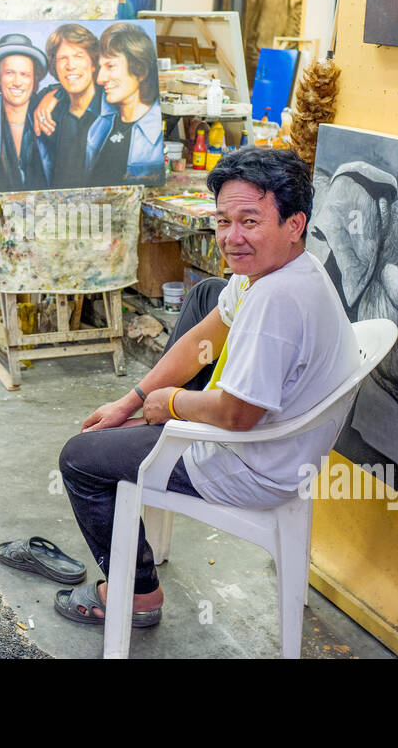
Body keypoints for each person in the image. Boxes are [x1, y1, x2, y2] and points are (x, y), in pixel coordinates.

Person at [51, 147, 360, 628]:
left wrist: (168, 405)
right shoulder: (278, 268)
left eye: (250, 222)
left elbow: (239, 416)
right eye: (222, 221)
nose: (231, 238)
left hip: (252, 464)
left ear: (295, 224)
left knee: (80, 460)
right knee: (206, 297)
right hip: (280, 443)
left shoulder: (276, 302)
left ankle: (137, 594)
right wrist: (131, 401)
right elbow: (207, 335)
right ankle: (143, 430)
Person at [83, 22, 165, 185]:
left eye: (110, 66)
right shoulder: (99, 127)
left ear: (140, 69)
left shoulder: (158, 134)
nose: (100, 79)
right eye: (100, 67)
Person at [31, 24, 103, 188]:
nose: (70, 65)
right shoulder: (48, 105)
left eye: (78, 56)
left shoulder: (113, 108)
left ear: (93, 63)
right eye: (62, 58)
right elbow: (9, 103)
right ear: (54, 66)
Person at [0, 32, 49, 190]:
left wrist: (51, 97)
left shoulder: (50, 110)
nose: (18, 82)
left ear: (34, 79)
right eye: (9, 73)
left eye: (25, 75)